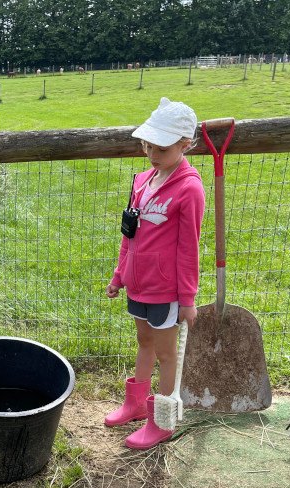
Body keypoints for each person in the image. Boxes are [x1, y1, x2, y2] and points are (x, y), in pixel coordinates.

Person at [104, 97, 206, 450]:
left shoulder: (189, 189)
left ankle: (161, 421)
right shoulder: (143, 181)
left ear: (185, 145)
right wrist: (120, 274)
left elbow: (188, 248)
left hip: (165, 291)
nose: (151, 154)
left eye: (161, 148)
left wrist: (187, 299)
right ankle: (134, 405)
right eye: (148, 145)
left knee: (166, 354)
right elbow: (128, 233)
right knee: (144, 342)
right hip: (138, 284)